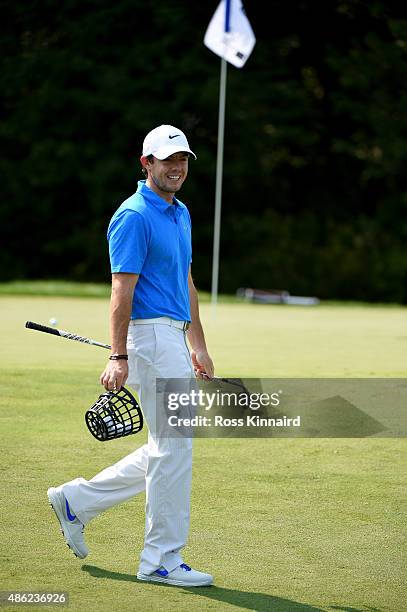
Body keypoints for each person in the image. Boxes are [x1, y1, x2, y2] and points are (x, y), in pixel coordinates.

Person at [47, 125, 215, 587]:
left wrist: (198, 345)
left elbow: (186, 282)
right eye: (167, 160)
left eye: (182, 159)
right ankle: (160, 560)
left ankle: (76, 501)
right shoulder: (133, 215)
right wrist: (117, 355)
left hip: (173, 338)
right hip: (149, 339)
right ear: (147, 164)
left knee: (168, 448)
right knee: (175, 448)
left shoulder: (179, 213)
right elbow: (122, 290)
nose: (177, 167)